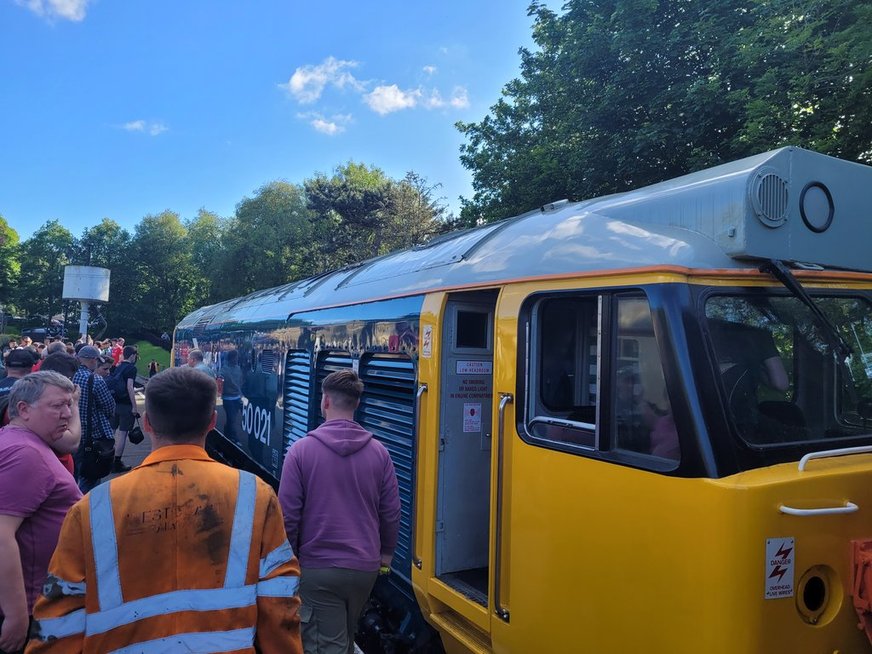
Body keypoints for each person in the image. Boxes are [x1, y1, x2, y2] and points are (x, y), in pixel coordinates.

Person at [28, 367, 302, 653]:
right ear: (212, 422)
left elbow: (59, 619)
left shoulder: (92, 509)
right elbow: (278, 601)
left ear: (147, 423)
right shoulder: (255, 496)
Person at [279, 369, 400, 654]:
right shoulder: (380, 452)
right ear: (357, 403)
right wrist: (386, 555)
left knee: (325, 645)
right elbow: (391, 511)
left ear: (325, 402)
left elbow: (288, 516)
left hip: (319, 569)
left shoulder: (301, 451)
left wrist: (290, 560)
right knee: (343, 638)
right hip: (365, 569)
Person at [0, 372, 81, 654]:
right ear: (24, 409)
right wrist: (16, 615)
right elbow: (1, 534)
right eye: (58, 406)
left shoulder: (20, 441)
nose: (67, 414)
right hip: (33, 606)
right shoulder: (26, 454)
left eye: (69, 405)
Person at [71, 346, 116, 493]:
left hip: (70, 432)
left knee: (73, 471)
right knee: (91, 475)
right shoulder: (95, 379)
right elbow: (109, 406)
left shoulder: (70, 376)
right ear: (93, 360)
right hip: (92, 435)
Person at [109, 345, 139, 473]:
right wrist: (134, 406)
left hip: (114, 403)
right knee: (122, 434)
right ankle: (117, 462)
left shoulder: (117, 367)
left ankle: (107, 457)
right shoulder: (131, 368)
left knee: (111, 431)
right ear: (132, 355)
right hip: (126, 405)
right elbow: (130, 387)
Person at [219, 349, 243, 441]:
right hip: (228, 399)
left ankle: (226, 436)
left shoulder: (238, 368)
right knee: (232, 419)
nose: (237, 359)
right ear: (231, 358)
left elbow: (240, 380)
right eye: (236, 357)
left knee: (232, 419)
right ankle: (234, 438)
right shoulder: (224, 370)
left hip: (237, 397)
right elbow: (220, 379)